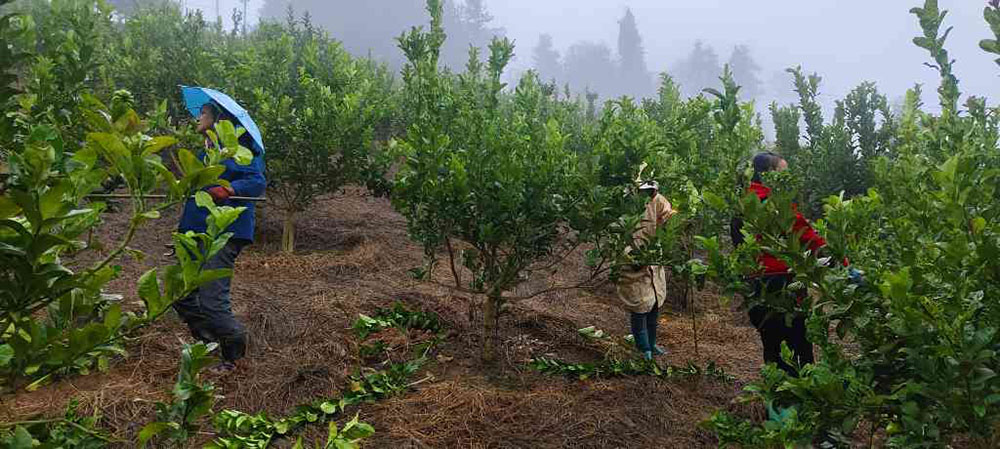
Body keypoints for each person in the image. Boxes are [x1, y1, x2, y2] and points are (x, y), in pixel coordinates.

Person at [174, 102, 266, 374]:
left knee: (212, 300)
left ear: (219, 118)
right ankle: (210, 343)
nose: (198, 118)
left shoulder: (240, 149)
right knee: (182, 295)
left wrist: (229, 189)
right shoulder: (208, 153)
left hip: (224, 233)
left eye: (203, 113)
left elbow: (257, 182)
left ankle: (234, 356)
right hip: (197, 232)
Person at [732, 152, 833, 375]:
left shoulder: (741, 204)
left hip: (755, 284)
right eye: (783, 173)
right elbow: (807, 236)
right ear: (768, 175)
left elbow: (738, 243)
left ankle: (776, 389)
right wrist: (838, 258)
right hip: (783, 282)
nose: (787, 179)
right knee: (799, 342)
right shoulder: (778, 204)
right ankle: (804, 389)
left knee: (771, 344)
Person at [616, 180, 675, 360]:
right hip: (633, 257)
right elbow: (618, 232)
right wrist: (631, 256)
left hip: (653, 256)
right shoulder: (627, 204)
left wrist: (678, 222)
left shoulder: (658, 201)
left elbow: (668, 216)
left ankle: (651, 343)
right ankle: (643, 348)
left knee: (654, 303)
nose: (649, 194)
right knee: (640, 306)